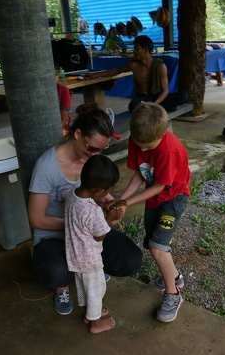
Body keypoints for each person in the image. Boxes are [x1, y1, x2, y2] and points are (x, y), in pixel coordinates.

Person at [28, 102, 143, 316]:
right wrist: (78, 226)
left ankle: (94, 269)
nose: (95, 155)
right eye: (92, 148)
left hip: (87, 236)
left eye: (102, 150)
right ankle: (63, 287)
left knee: (131, 260)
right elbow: (37, 219)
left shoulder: (91, 160)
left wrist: (111, 204)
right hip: (54, 236)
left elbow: (98, 193)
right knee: (54, 273)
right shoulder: (47, 166)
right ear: (78, 134)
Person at [118, 103, 191, 322]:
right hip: (154, 200)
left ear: (163, 133)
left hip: (174, 198)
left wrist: (127, 202)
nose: (143, 151)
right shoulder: (138, 140)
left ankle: (173, 294)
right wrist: (122, 200)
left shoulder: (168, 149)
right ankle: (175, 277)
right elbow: (141, 174)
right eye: (139, 146)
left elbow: (160, 185)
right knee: (152, 242)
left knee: (158, 247)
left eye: (148, 148)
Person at [65, 154, 121, 333]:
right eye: (108, 190)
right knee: (96, 290)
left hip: (75, 255)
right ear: (99, 190)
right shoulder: (93, 212)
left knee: (85, 287)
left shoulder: (73, 195)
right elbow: (100, 235)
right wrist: (109, 217)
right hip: (90, 260)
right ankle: (96, 323)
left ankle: (91, 314)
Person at [86, 35, 187, 113]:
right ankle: (161, 108)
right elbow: (116, 71)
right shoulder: (133, 64)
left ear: (145, 49)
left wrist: (153, 104)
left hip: (156, 97)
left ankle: (154, 107)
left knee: (183, 96)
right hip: (141, 98)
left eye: (136, 48)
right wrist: (96, 74)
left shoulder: (160, 66)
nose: (134, 51)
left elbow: (165, 91)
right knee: (133, 107)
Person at [54, 62, 72, 137]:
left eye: (55, 74)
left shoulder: (63, 90)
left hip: (61, 126)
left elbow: (63, 120)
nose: (54, 78)